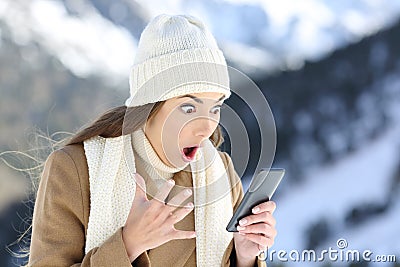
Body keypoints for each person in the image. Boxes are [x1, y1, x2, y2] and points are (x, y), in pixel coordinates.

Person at [28, 14, 277, 267]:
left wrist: (245, 257)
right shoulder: (74, 169)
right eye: (188, 108)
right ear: (148, 107)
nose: (206, 128)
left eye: (215, 108)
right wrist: (127, 245)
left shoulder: (220, 173)